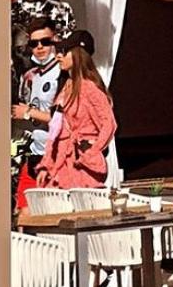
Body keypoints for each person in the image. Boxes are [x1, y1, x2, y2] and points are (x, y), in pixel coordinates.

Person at [36, 30, 117, 189]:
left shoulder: (89, 88)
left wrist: (92, 151)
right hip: (62, 163)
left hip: (83, 164)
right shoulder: (65, 88)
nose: (58, 56)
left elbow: (109, 123)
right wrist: (47, 163)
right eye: (58, 51)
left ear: (78, 55)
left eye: (64, 51)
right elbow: (55, 129)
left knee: (82, 210)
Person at [10, 18, 62, 204]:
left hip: (56, 158)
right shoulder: (32, 76)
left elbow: (64, 119)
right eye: (34, 44)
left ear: (55, 40)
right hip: (34, 153)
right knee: (23, 214)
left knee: (50, 216)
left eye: (45, 42)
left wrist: (28, 113)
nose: (39, 47)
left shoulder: (61, 74)